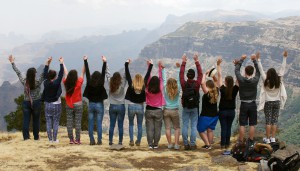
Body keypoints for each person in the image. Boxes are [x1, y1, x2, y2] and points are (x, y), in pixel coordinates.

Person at [8, 55, 46, 141]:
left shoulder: (24, 82)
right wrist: (47, 64)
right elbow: (44, 75)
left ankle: (26, 137)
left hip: (26, 102)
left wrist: (12, 63)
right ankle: (36, 137)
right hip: (36, 103)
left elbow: (18, 73)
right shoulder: (38, 82)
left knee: (26, 120)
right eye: (36, 73)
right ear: (34, 74)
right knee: (36, 121)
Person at [257, 51, 287, 144]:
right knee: (274, 121)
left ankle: (267, 138)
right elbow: (282, 69)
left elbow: (261, 70)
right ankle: (273, 138)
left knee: (268, 121)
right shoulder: (279, 80)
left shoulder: (266, 80)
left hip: (268, 102)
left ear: (268, 74)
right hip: (277, 102)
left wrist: (258, 60)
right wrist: (284, 58)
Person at [234, 54, 260, 146]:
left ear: (245, 72)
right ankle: (251, 141)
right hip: (253, 104)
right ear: (252, 72)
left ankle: (241, 141)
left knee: (242, 124)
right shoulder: (255, 80)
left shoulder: (241, 79)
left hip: (244, 104)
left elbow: (236, 70)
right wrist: (254, 60)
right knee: (252, 124)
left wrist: (241, 59)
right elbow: (259, 71)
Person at [180, 53, 203, 150]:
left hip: (186, 106)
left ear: (187, 76)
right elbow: (201, 74)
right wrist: (197, 61)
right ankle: (193, 144)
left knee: (185, 125)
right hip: (194, 107)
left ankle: (186, 144)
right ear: (193, 76)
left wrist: (184, 62)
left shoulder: (184, 84)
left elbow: (180, 75)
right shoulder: (197, 84)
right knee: (193, 125)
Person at [83, 56, 108, 145]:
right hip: (99, 105)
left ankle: (91, 140)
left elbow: (87, 72)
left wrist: (85, 61)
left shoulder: (89, 82)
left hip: (91, 105)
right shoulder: (101, 82)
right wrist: (104, 62)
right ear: (100, 77)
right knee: (99, 124)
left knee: (90, 123)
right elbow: (103, 72)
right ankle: (99, 140)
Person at [217, 58, 239, 154]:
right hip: (231, 112)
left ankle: (222, 145)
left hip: (222, 111)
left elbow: (219, 76)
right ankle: (227, 144)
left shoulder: (222, 89)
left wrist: (218, 65)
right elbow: (238, 78)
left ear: (225, 82)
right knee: (229, 127)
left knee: (223, 128)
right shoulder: (235, 89)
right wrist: (237, 65)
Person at [63, 57, 85, 144]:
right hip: (78, 104)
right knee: (78, 122)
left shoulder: (66, 82)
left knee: (69, 122)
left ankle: (71, 139)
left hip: (69, 104)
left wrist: (63, 63)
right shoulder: (79, 82)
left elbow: (66, 72)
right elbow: (83, 72)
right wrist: (85, 61)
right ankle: (78, 139)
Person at [144, 60, 165, 149]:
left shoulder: (147, 88)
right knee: (157, 128)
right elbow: (161, 78)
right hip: (158, 110)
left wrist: (149, 66)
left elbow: (148, 77)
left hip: (149, 110)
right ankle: (156, 144)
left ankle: (150, 144)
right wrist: (160, 68)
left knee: (150, 128)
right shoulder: (160, 88)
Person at [43, 57, 64, 143]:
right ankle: (55, 139)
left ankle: (50, 139)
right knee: (55, 122)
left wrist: (47, 63)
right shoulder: (56, 83)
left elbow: (45, 73)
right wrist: (61, 63)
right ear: (55, 76)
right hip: (57, 104)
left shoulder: (46, 82)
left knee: (48, 122)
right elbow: (61, 74)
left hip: (47, 104)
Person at [106, 60, 127, 145]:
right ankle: (120, 142)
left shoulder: (110, 84)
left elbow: (107, 75)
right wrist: (126, 65)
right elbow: (125, 76)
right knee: (120, 125)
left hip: (112, 106)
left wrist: (106, 64)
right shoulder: (122, 85)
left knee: (112, 125)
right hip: (121, 106)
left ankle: (110, 141)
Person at [125, 59, 146, 146]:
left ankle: (131, 140)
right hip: (140, 107)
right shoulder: (143, 87)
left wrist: (126, 64)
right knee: (140, 125)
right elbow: (148, 76)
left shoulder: (131, 85)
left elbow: (127, 75)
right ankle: (138, 141)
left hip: (131, 106)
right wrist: (150, 66)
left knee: (131, 124)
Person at [198, 70, 219, 150]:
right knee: (210, 130)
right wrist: (212, 75)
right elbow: (216, 81)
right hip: (215, 115)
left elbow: (202, 83)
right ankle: (209, 144)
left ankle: (207, 145)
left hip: (206, 115)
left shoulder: (207, 94)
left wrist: (205, 74)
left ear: (207, 86)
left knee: (200, 130)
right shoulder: (217, 91)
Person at [162, 62, 181, 150]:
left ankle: (169, 144)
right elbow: (179, 79)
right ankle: (176, 144)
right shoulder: (178, 89)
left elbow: (164, 80)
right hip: (175, 111)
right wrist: (178, 69)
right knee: (176, 128)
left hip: (166, 110)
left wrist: (163, 69)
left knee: (167, 128)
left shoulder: (165, 89)